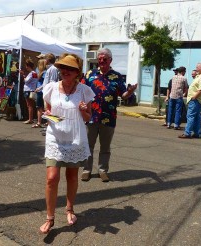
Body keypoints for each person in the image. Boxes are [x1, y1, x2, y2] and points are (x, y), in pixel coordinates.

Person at [39, 53, 95, 234]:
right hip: (55, 137)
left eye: (70, 69)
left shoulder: (85, 91)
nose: (65, 71)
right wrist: (50, 117)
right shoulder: (50, 88)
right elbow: (45, 112)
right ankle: (50, 218)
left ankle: (69, 209)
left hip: (75, 138)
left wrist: (84, 111)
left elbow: (88, 118)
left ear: (77, 72)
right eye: (63, 68)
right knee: (52, 178)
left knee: (71, 176)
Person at [81, 47, 137, 182]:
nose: (101, 61)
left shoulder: (117, 76)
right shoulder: (89, 74)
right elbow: (81, 91)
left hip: (109, 117)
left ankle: (103, 170)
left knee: (105, 147)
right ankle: (86, 170)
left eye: (104, 59)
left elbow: (123, 95)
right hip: (91, 117)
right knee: (88, 145)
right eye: (99, 59)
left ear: (110, 60)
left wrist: (129, 92)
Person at [179, 62, 201, 139]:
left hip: (196, 100)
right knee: (196, 117)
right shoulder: (199, 76)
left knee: (190, 116)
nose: (196, 69)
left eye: (197, 67)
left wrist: (194, 97)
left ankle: (187, 133)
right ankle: (197, 133)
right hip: (195, 100)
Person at [20, 59, 38, 124]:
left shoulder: (31, 73)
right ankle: (31, 118)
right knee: (31, 105)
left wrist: (23, 75)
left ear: (28, 66)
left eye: (26, 66)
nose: (26, 67)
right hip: (32, 89)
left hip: (29, 90)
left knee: (29, 105)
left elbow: (26, 81)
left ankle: (30, 119)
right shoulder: (34, 73)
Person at [32, 59, 47, 128]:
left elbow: (45, 83)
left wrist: (39, 88)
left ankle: (39, 122)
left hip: (41, 91)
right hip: (39, 91)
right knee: (40, 107)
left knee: (40, 107)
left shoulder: (44, 73)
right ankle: (40, 121)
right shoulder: (41, 72)